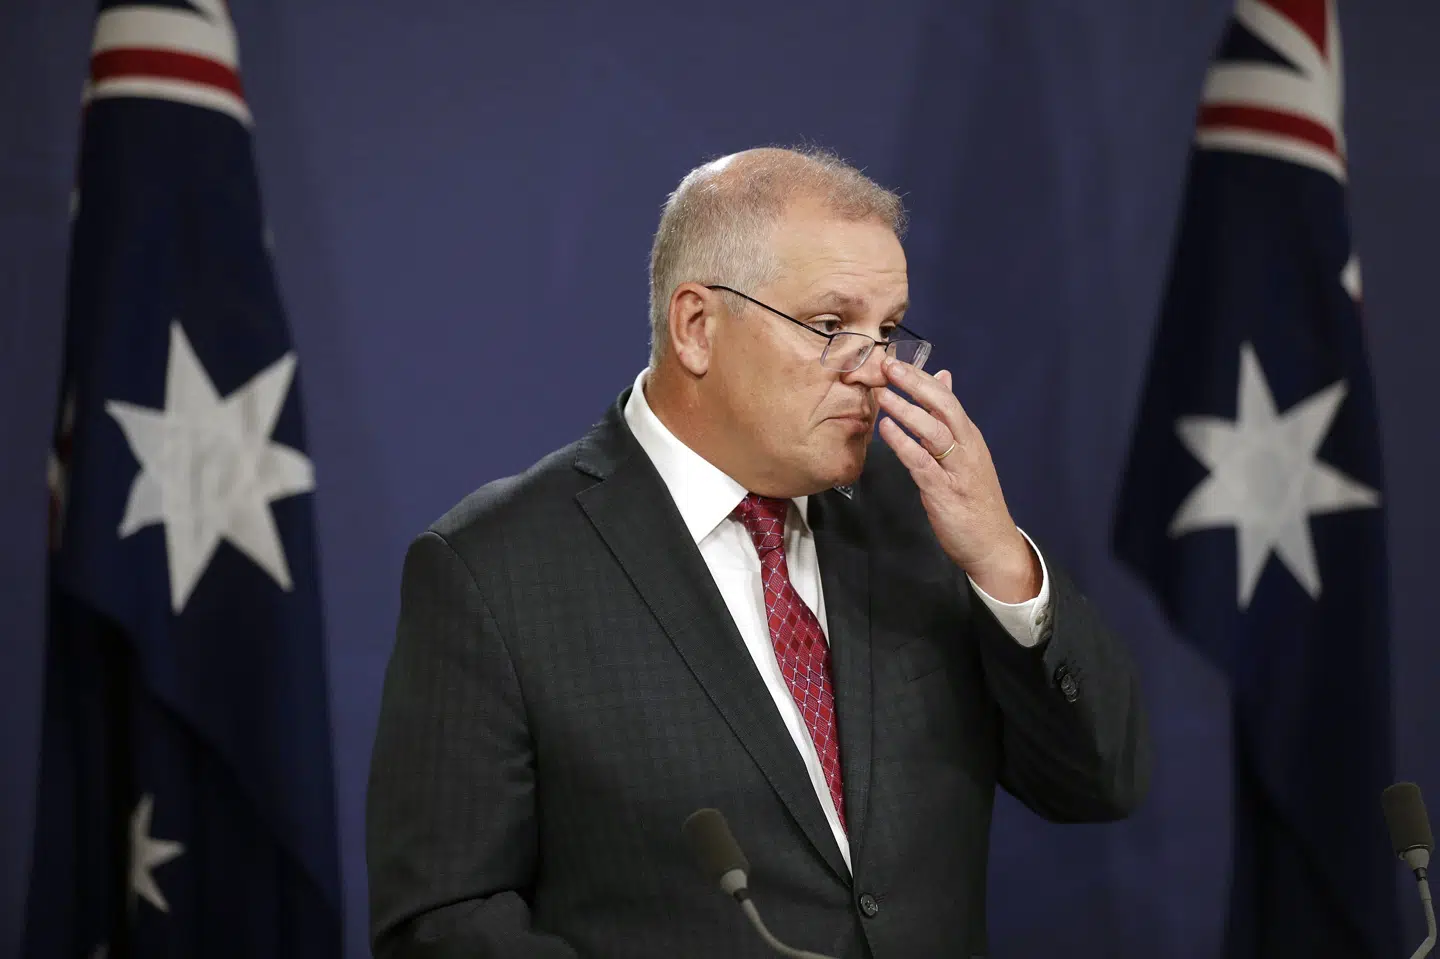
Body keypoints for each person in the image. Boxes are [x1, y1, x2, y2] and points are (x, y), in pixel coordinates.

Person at [366, 147, 1150, 959]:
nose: (874, 370)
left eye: (885, 331)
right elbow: (443, 921)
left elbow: (1101, 782)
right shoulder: (495, 568)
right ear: (697, 327)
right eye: (829, 326)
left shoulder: (924, 519)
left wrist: (1000, 560)